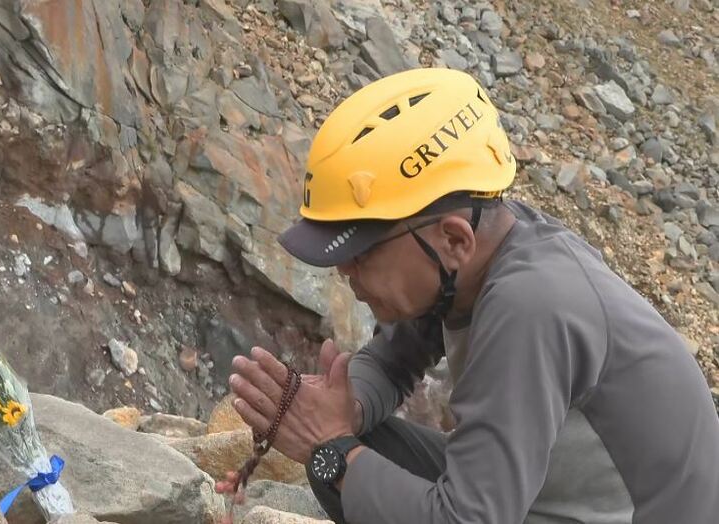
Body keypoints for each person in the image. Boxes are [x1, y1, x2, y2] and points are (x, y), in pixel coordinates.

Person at [219, 68, 719, 523]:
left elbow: (469, 520)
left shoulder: (530, 306)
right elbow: (394, 362)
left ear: (455, 239)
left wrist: (326, 445)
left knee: (337, 462)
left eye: (363, 249)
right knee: (348, 457)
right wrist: (341, 410)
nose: (344, 269)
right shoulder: (472, 252)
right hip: (552, 495)